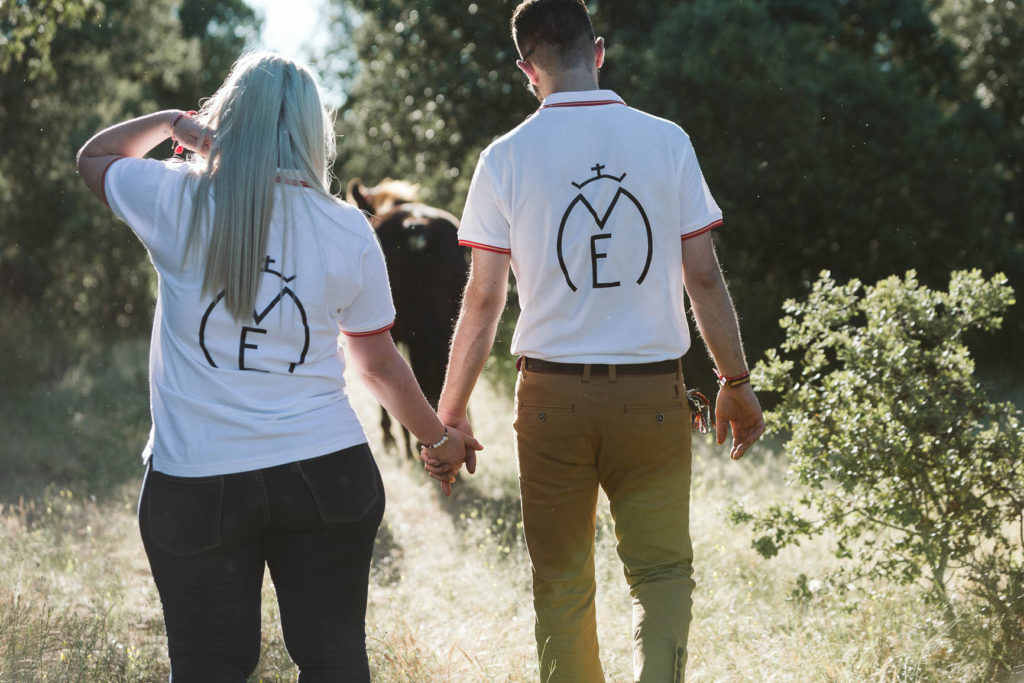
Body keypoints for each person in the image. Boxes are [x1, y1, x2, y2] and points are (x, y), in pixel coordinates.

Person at [77, 51, 480, 681]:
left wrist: (171, 123)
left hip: (195, 482)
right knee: (334, 659)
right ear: (315, 132)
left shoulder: (176, 197)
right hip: (326, 476)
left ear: (228, 119)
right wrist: (439, 442)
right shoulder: (348, 228)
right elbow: (376, 365)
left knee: (210, 664)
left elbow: (95, 159)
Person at [425, 1, 765, 680]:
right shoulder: (667, 140)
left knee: (560, 580)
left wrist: (450, 414)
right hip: (653, 397)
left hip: (550, 399)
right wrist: (735, 382)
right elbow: (701, 276)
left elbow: (485, 299)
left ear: (528, 69)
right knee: (664, 571)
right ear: (598, 51)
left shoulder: (504, 158)